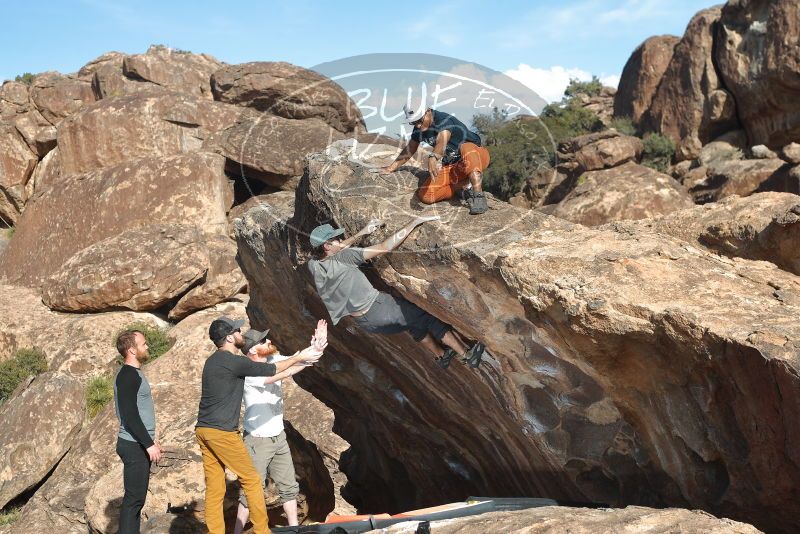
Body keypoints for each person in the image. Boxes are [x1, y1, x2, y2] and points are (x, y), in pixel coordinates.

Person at [195, 316, 324, 534]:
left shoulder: (213, 361)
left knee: (216, 489)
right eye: (237, 331)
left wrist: (310, 351)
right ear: (229, 337)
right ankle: (262, 531)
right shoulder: (234, 361)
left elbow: (281, 365)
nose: (240, 334)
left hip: (204, 430)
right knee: (252, 481)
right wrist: (302, 355)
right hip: (222, 432)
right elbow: (273, 371)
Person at [308, 218, 484, 368]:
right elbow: (385, 247)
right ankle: (467, 356)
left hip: (366, 323)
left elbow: (335, 249)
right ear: (327, 245)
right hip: (379, 308)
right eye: (337, 239)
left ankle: (441, 355)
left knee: (412, 322)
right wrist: (413, 222)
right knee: (427, 318)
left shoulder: (314, 265)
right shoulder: (345, 257)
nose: (341, 240)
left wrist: (363, 232)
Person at [233, 321, 328, 533]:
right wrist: (300, 359)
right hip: (258, 441)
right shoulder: (248, 372)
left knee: (289, 488)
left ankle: (294, 530)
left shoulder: (272, 359)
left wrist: (318, 346)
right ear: (253, 350)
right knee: (250, 491)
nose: (269, 341)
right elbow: (279, 374)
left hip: (278, 438)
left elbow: (297, 362)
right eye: (264, 341)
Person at [381, 104, 491, 215]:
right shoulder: (418, 130)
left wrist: (433, 157)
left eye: (420, 120)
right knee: (426, 196)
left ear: (428, 111)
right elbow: (410, 149)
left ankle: (479, 196)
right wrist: (391, 168)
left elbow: (441, 141)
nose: (418, 125)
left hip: (476, 157)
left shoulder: (443, 120)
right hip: (454, 167)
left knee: (467, 147)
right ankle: (464, 187)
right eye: (413, 123)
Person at [114, 329, 163, 534]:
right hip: (133, 445)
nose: (147, 346)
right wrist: (148, 444)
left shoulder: (134, 374)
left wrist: (150, 441)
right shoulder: (127, 375)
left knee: (136, 500)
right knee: (133, 501)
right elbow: (129, 414)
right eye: (143, 344)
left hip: (137, 443)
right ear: (132, 350)